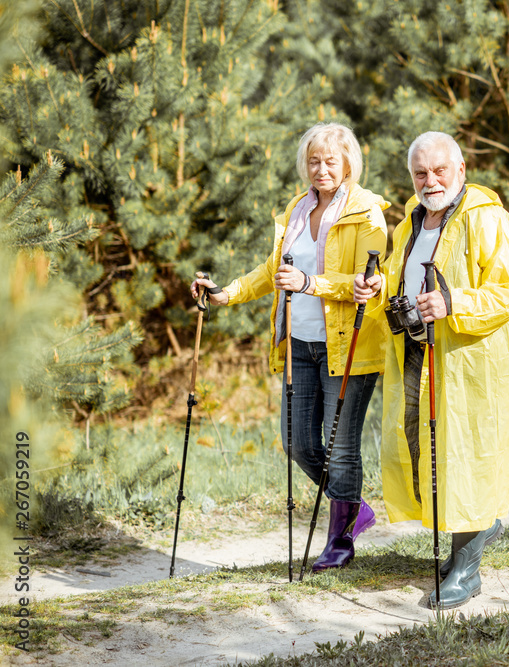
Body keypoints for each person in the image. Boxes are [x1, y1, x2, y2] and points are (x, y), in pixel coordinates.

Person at [192, 122, 389, 571]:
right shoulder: (297, 209)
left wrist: (310, 283)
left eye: (330, 161)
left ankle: (340, 539)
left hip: (348, 346)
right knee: (297, 443)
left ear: (348, 163)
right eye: (313, 161)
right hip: (298, 344)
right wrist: (227, 294)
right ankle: (353, 506)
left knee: (340, 447)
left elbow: (369, 281)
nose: (321, 170)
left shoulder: (366, 213)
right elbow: (271, 272)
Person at [354, 131, 509, 609]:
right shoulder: (410, 223)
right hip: (417, 355)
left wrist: (453, 303)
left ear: (461, 169)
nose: (430, 181)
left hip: (468, 364)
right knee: (429, 454)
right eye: (420, 173)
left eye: (439, 171)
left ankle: (467, 570)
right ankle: (473, 536)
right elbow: (400, 278)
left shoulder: (486, 217)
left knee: (466, 456)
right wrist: (374, 290)